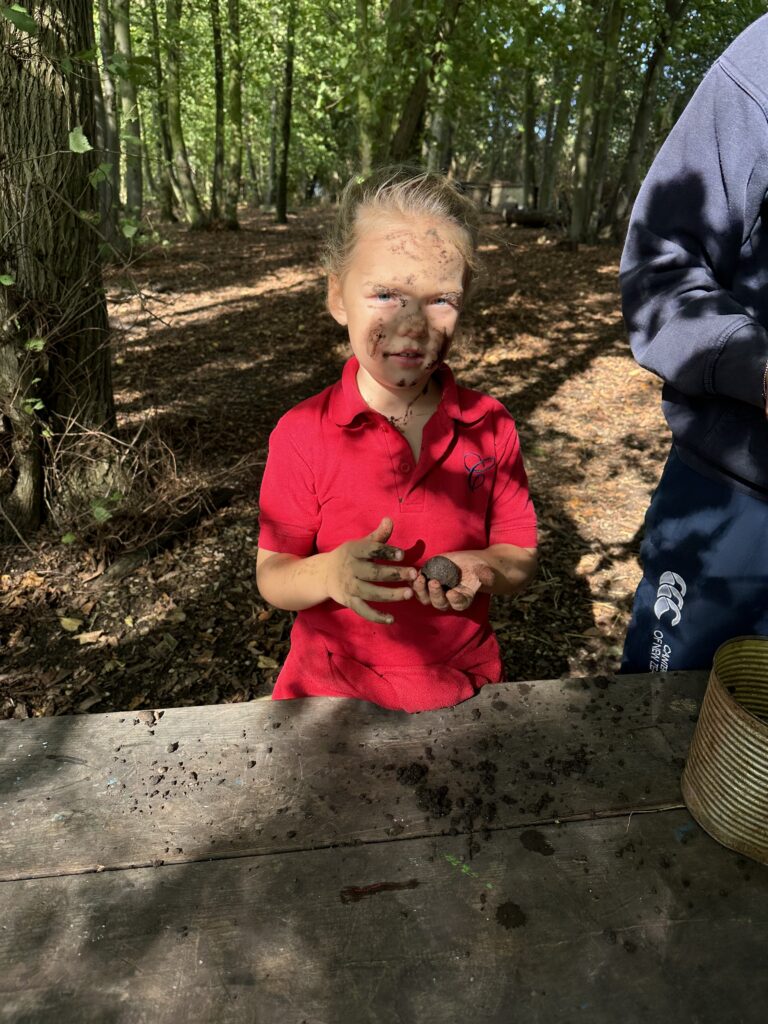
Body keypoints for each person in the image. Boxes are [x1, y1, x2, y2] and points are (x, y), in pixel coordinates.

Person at [256, 166, 538, 712]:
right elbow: (274, 575)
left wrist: (480, 570)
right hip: (329, 694)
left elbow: (519, 556)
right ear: (338, 296)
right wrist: (330, 573)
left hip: (462, 684)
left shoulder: (490, 424)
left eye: (440, 299)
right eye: (385, 293)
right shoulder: (302, 433)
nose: (413, 324)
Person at [620, 14, 768, 673]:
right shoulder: (761, 64)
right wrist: (757, 368)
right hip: (733, 504)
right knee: (659, 740)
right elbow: (659, 270)